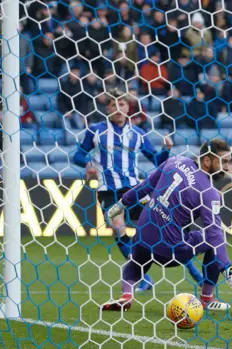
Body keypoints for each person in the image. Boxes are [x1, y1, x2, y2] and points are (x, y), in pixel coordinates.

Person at [100, 139, 232, 312]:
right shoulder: (210, 193)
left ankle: (127, 295)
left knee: (136, 260)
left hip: (142, 240)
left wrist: (120, 205)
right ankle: (206, 299)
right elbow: (215, 234)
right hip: (170, 252)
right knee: (213, 238)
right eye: (223, 161)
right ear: (207, 161)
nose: (226, 168)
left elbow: (145, 186)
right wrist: (229, 272)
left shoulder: (175, 161)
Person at [73, 89, 202, 292]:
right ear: (107, 108)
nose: (118, 108)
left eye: (122, 104)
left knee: (164, 226)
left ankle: (196, 274)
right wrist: (88, 163)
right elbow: (77, 156)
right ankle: (143, 278)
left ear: (128, 108)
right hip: (108, 189)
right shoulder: (95, 131)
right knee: (118, 226)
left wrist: (166, 149)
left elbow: (157, 161)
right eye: (114, 105)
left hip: (134, 189)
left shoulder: (138, 134)